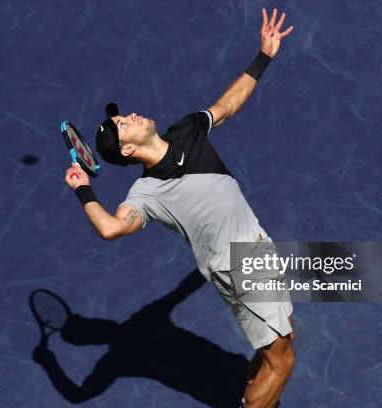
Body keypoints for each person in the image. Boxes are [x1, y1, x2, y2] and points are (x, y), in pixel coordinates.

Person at [64, 7, 295, 408]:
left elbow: (226, 107)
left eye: (120, 116)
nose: (128, 116)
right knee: (282, 361)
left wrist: (264, 56)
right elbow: (111, 228)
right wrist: (84, 190)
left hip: (256, 247)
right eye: (121, 125)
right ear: (129, 149)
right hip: (236, 266)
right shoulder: (146, 194)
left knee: (276, 345)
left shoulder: (187, 130)